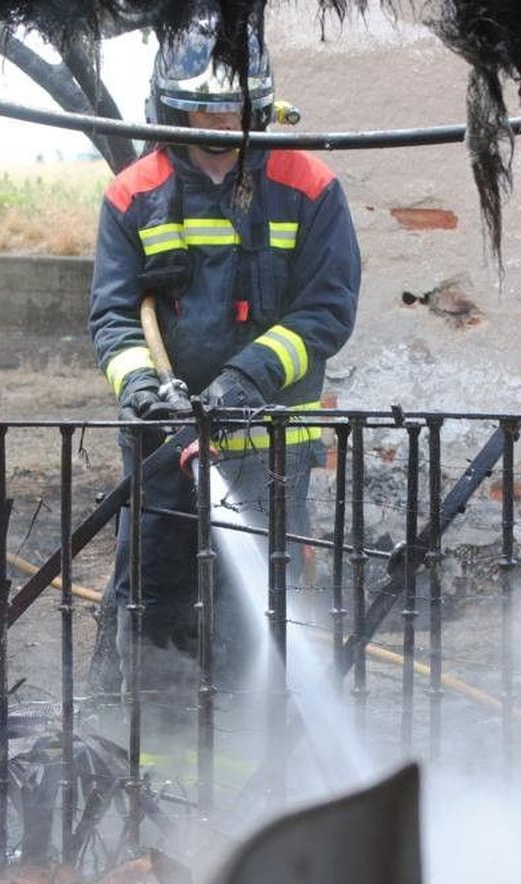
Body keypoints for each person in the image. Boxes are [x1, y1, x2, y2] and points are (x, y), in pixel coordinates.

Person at [88, 12, 362, 717]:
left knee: (258, 625)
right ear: (169, 109)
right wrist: (141, 385)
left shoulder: (309, 187)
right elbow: (116, 317)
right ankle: (156, 780)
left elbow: (326, 310)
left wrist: (246, 380)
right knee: (155, 612)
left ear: (259, 107)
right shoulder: (132, 195)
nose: (216, 130)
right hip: (165, 454)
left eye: (230, 111)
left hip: (270, 454)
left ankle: (251, 782)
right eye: (200, 111)